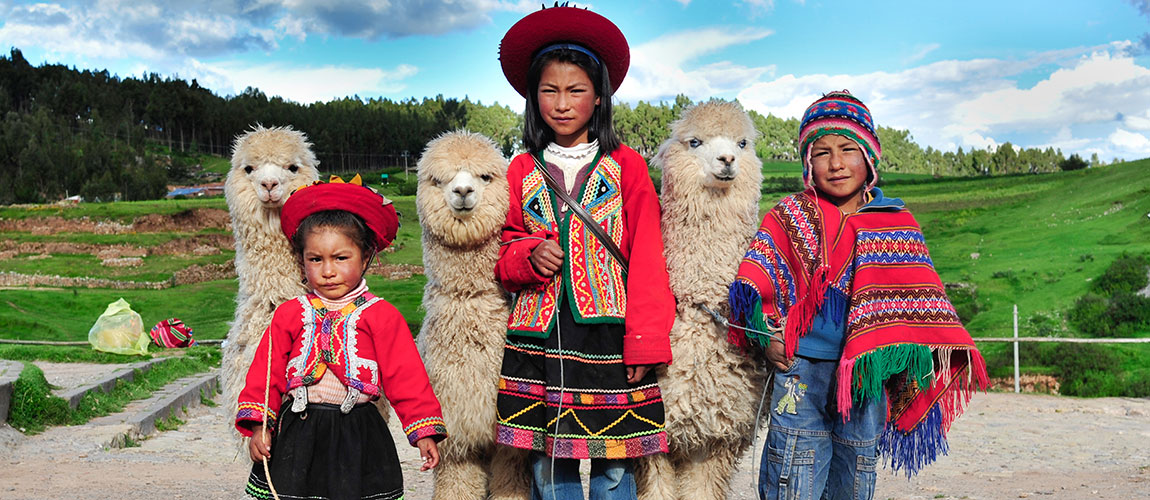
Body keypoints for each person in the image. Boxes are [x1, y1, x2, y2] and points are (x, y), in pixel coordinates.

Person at [727, 91, 989, 500]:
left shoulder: (896, 224)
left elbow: (918, 305)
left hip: (867, 380)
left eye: (848, 149)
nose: (835, 163)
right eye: (822, 152)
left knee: (855, 472)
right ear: (807, 162)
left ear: (869, 156)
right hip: (801, 369)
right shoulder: (791, 216)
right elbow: (757, 284)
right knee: (792, 472)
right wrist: (768, 336)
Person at [493, 5, 675, 500]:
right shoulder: (519, 169)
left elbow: (648, 256)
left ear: (598, 97)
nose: (561, 104)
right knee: (549, 465)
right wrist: (528, 256)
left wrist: (644, 340)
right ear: (533, 97)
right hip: (538, 339)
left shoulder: (626, 166)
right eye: (549, 90)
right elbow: (504, 243)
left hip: (609, 335)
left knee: (613, 464)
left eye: (575, 90)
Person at [234, 175, 447, 500]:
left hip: (358, 434)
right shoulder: (290, 314)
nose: (328, 271)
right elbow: (266, 373)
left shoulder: (382, 315)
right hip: (299, 432)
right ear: (302, 259)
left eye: (341, 258)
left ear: (365, 256)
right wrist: (260, 426)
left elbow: (406, 377)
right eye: (315, 259)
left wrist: (423, 432)